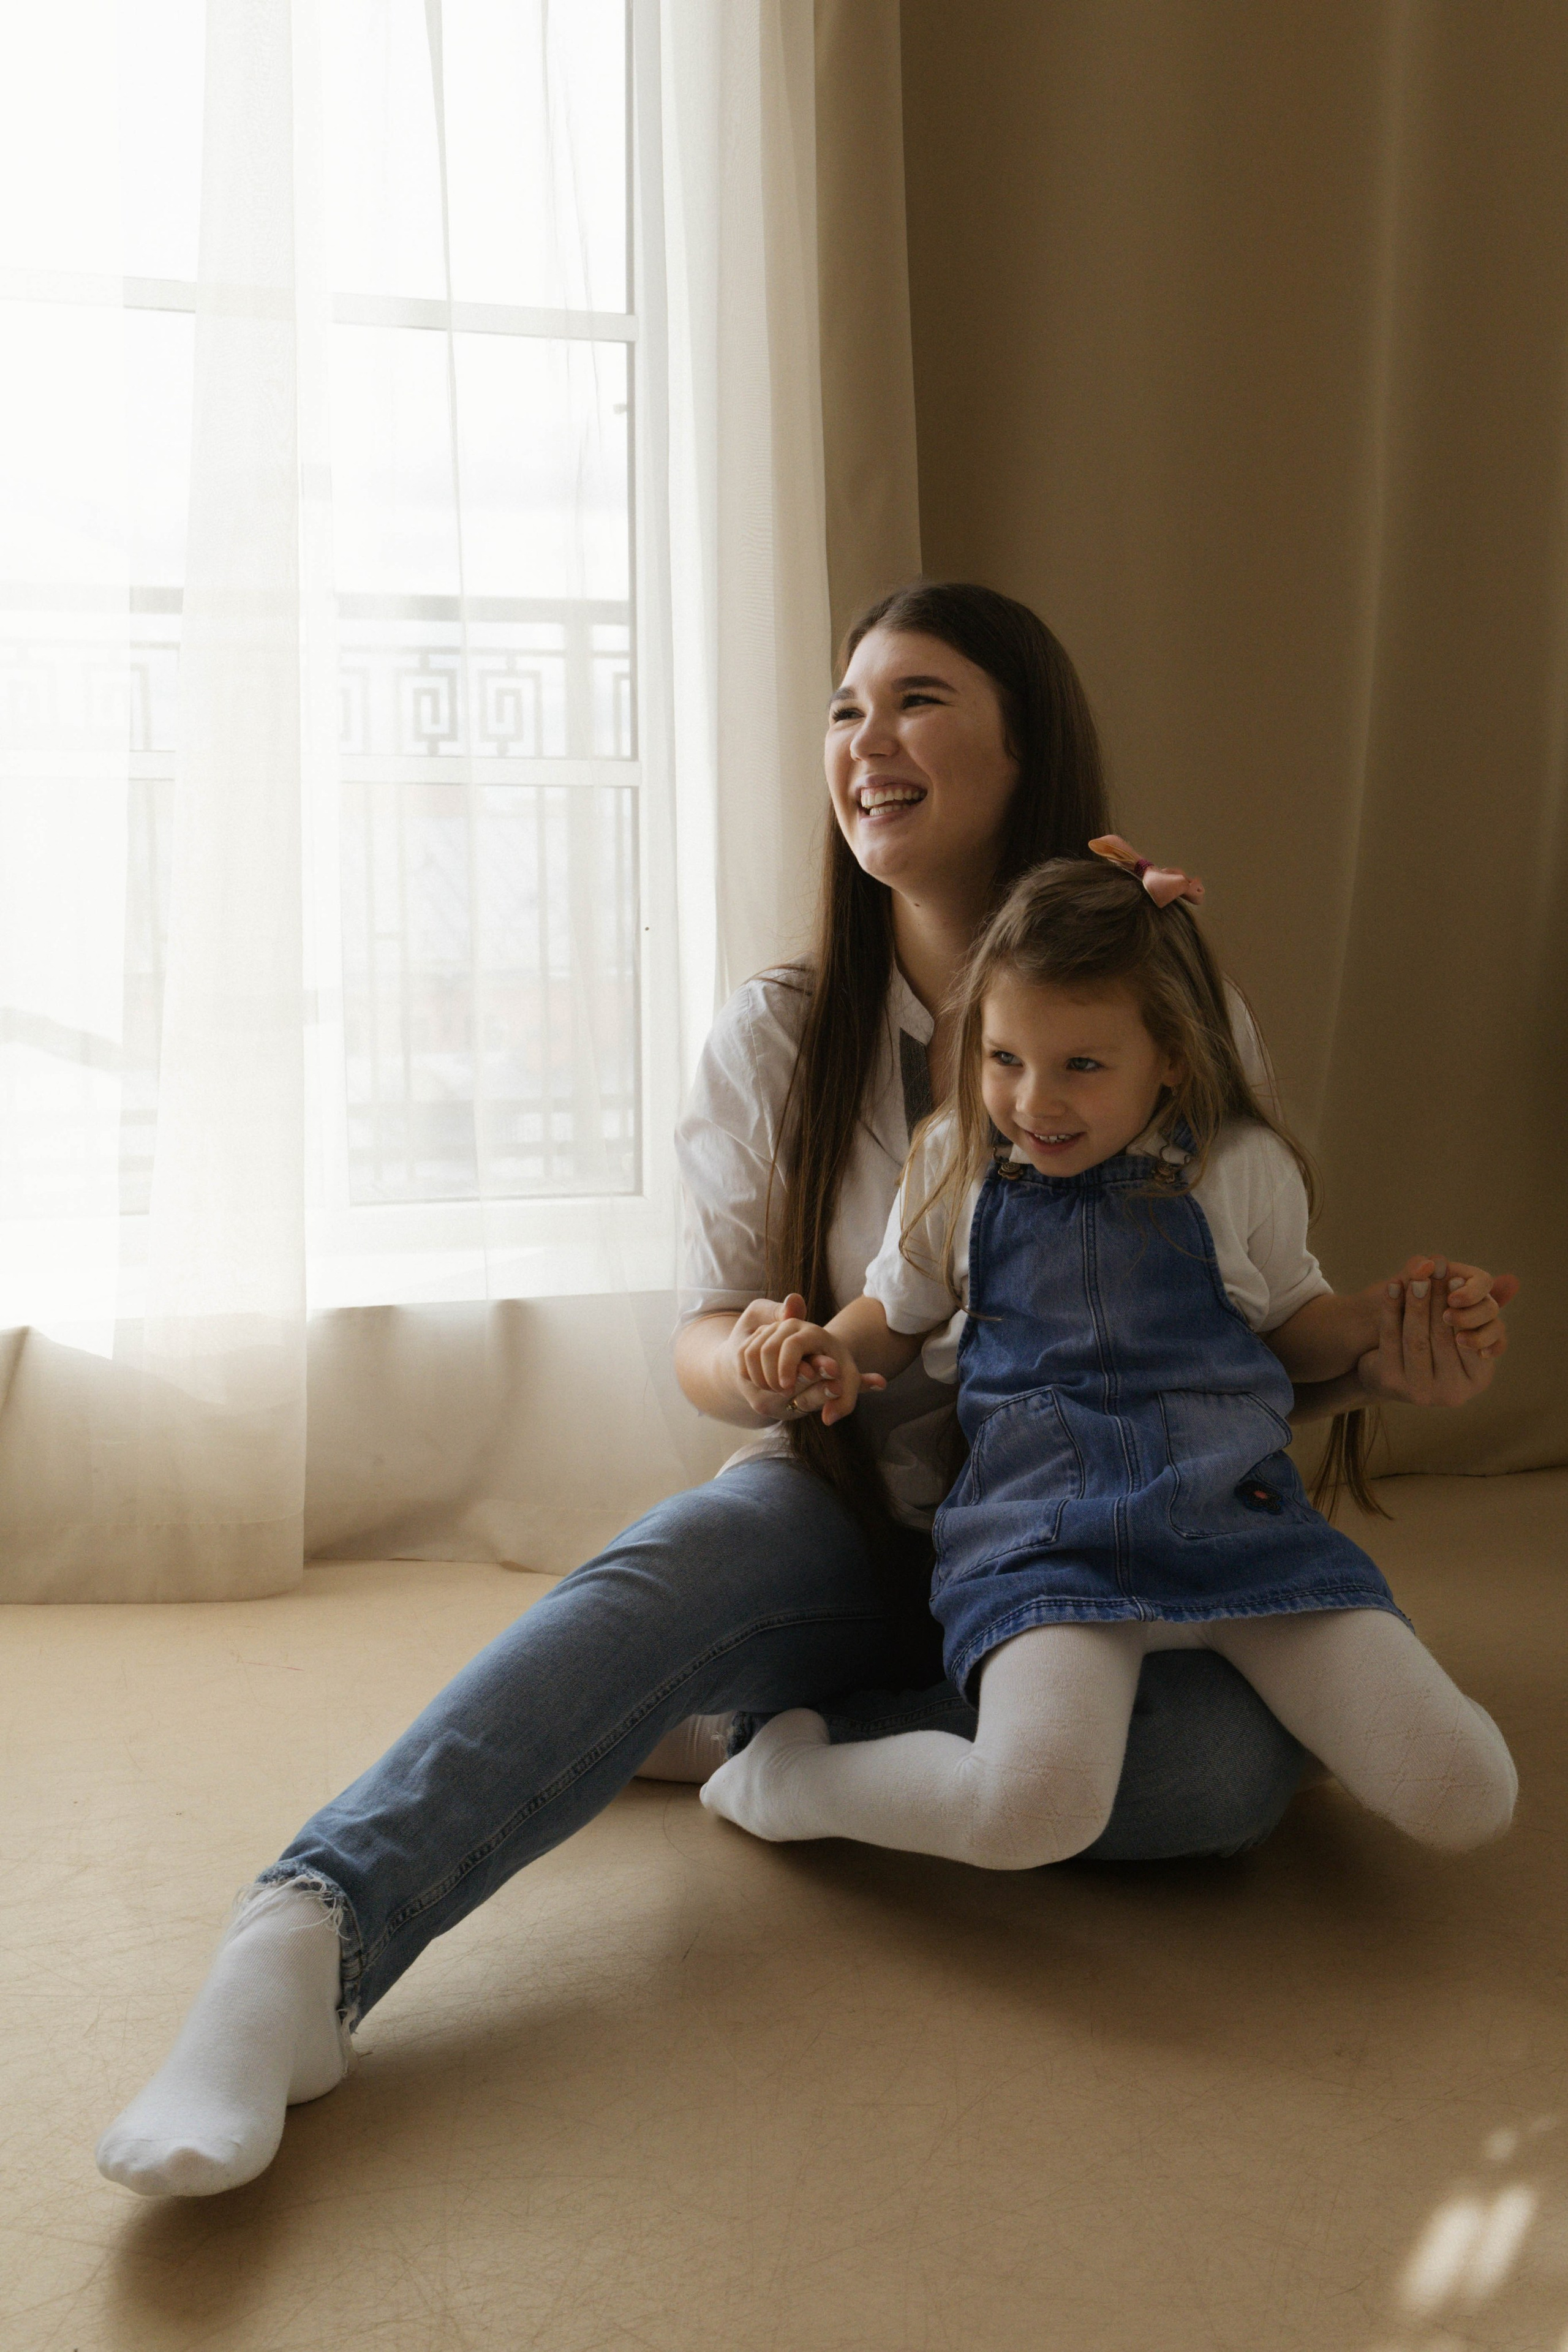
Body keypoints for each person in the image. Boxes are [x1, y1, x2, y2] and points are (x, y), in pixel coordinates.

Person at [94, 585, 1515, 2199]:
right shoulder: (778, 1035)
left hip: (1129, 1549)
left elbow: (1245, 1331)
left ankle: (759, 1743)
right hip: (859, 1505)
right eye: (844, 711)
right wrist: (773, 1357)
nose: (865, 743)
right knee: (664, 1582)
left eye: (916, 699)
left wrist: (1385, 1351)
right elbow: (704, 1339)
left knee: (1218, 1780)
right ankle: (304, 1942)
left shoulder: (1165, 1015)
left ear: (1021, 744)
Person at [701, 847, 1517, 1865]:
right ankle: (783, 1776)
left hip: (1237, 1522)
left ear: (1171, 1055)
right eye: (1006, 1059)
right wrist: (824, 1344)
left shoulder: (1240, 1165)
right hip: (1047, 1533)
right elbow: (893, 1315)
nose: (1035, 1102)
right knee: (1036, 1811)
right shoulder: (956, 1164)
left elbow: (1295, 1324)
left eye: (1081, 1065)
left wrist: (1393, 1318)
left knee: (1468, 1793)